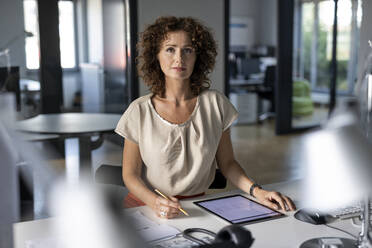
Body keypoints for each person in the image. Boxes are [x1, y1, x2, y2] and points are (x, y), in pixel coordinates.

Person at [115, 16, 296, 219]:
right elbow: (130, 174)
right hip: (145, 205)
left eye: (188, 50)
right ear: (155, 56)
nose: (179, 58)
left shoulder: (215, 104)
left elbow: (228, 164)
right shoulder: (139, 110)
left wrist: (257, 191)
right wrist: (154, 202)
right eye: (170, 49)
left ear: (197, 57)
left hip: (197, 206)